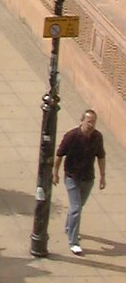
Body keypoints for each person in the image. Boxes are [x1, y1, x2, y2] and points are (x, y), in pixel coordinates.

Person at [54, 109, 106, 255]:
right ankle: (73, 242)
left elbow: (101, 156)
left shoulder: (97, 137)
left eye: (94, 122)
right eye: (89, 121)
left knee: (78, 206)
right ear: (82, 121)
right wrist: (55, 173)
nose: (91, 125)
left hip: (88, 178)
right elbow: (59, 155)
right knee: (76, 208)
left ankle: (68, 227)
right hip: (72, 177)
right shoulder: (71, 136)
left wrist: (102, 176)